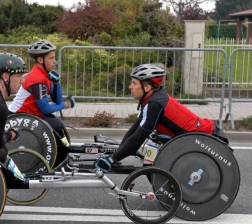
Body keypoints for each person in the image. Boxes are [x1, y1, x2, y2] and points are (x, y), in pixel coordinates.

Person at [95, 63, 229, 171]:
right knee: (148, 157)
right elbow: (134, 129)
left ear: (147, 87)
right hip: (197, 135)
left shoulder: (154, 103)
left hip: (207, 138)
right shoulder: (150, 99)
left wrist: (113, 159)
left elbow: (138, 138)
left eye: (134, 83)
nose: (130, 87)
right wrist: (117, 154)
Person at [8, 40, 75, 145]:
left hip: (29, 114)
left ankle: (64, 150)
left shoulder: (45, 74)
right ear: (40, 59)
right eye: (51, 58)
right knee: (55, 124)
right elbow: (45, 108)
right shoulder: (37, 78)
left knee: (56, 122)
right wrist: (66, 104)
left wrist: (56, 83)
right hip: (18, 115)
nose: (55, 61)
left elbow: (57, 100)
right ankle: (60, 152)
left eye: (54, 58)